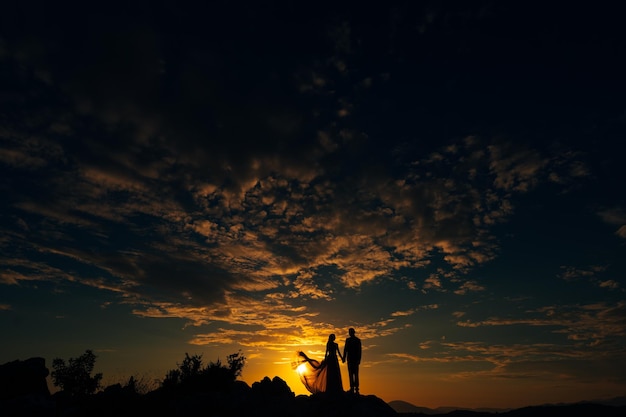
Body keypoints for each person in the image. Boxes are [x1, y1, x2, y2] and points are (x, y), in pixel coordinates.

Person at [342, 327, 362, 394]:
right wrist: (344, 358)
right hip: (350, 359)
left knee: (355, 374)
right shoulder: (348, 340)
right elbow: (345, 349)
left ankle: (356, 389)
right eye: (349, 332)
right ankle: (352, 388)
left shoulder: (357, 340)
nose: (350, 333)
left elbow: (359, 351)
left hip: (354, 360)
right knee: (351, 374)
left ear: (353, 332)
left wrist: (359, 359)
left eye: (350, 332)